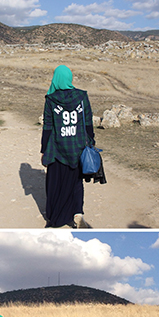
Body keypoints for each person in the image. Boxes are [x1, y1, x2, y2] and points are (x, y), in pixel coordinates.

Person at [40, 64, 105, 229]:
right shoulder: (82, 97)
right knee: (76, 182)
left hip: (56, 148)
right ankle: (77, 213)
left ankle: (55, 217)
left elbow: (48, 126)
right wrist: (91, 140)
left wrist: (43, 150)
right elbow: (88, 121)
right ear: (69, 78)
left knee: (55, 183)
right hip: (78, 147)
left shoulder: (51, 99)